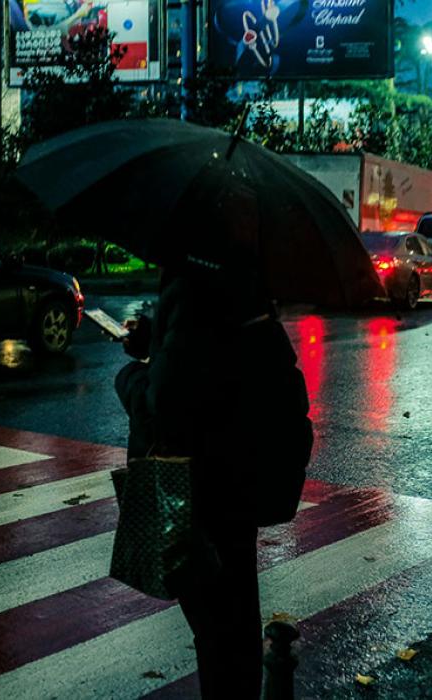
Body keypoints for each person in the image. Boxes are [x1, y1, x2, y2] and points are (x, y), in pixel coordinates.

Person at [116, 191, 312, 699]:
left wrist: (131, 378)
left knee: (217, 629)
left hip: (202, 488)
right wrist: (155, 340)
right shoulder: (242, 279)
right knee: (235, 620)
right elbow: (221, 359)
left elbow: (170, 399)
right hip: (241, 479)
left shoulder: (191, 285)